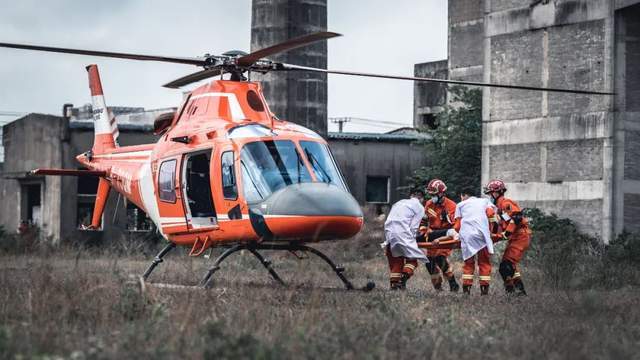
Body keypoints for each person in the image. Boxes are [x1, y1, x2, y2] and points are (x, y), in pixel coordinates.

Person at [484, 179, 531, 296]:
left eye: (490, 193)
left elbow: (517, 217)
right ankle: (519, 293)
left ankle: (512, 292)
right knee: (508, 267)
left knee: (506, 266)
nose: (490, 196)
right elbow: (499, 227)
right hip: (515, 237)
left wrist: (507, 233)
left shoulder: (505, 203)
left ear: (497, 192)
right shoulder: (498, 208)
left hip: (520, 236)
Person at [382, 188, 430, 290]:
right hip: (403, 234)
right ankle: (402, 280)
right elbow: (414, 227)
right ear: (421, 198)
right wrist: (414, 239)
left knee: (396, 261)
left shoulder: (398, 203)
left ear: (411, 196)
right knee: (412, 260)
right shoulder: (419, 207)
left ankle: (394, 286)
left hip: (389, 234)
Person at [453, 189, 498, 295]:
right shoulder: (484, 201)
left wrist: (460, 234)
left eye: (461, 196)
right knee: (484, 263)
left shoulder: (460, 205)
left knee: (468, 264)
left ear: (464, 195)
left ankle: (466, 291)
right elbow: (491, 214)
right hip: (483, 236)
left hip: (468, 236)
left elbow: (457, 226)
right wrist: (491, 232)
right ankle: (484, 291)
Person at [422, 179, 460, 292]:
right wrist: (424, 230)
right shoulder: (429, 204)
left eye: (433, 194)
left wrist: (447, 220)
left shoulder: (452, 206)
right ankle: (438, 287)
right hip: (432, 235)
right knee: (429, 262)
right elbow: (424, 221)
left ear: (441, 193)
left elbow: (456, 227)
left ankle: (453, 284)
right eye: (430, 194)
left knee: (440, 258)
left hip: (446, 235)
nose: (431, 197)